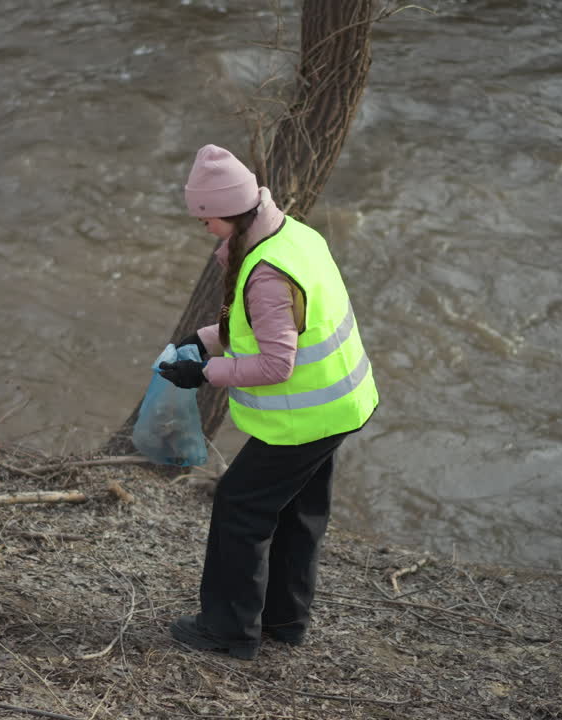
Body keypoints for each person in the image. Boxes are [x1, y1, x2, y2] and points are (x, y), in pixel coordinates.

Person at [157, 144, 379, 660]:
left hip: (309, 416)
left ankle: (228, 632)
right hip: (345, 402)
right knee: (299, 509)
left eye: (205, 219)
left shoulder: (266, 272)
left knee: (240, 505)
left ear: (227, 212)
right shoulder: (292, 236)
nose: (204, 228)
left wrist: (203, 371)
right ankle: (285, 621)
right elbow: (268, 327)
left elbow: (277, 362)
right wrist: (205, 339)